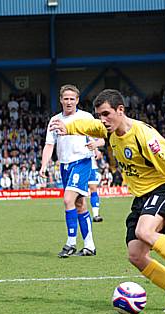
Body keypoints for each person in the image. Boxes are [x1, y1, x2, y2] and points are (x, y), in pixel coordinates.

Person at [50, 89, 165, 313]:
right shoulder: (110, 131)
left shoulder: (145, 136)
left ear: (120, 110)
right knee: (135, 255)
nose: (103, 120)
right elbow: (90, 126)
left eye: (106, 114)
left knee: (145, 231)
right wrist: (69, 128)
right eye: (99, 115)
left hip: (163, 189)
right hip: (141, 197)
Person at [40, 84, 103, 258]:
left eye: (72, 98)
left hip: (82, 162)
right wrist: (44, 165)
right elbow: (49, 144)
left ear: (77, 100)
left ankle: (70, 243)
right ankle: (89, 245)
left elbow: (103, 138)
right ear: (61, 100)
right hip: (65, 166)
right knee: (80, 205)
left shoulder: (86, 117)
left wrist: (95, 145)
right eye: (65, 98)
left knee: (68, 200)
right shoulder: (54, 120)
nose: (69, 101)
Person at [88, 148, 104, 222]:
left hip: (91, 165)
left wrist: (96, 150)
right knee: (78, 191)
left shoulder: (90, 136)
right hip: (78, 164)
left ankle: (96, 215)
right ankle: (77, 214)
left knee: (93, 189)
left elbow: (101, 141)